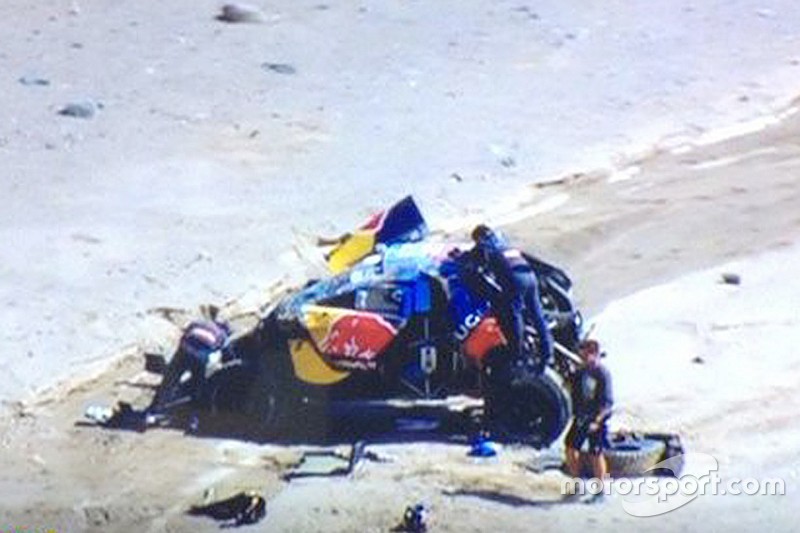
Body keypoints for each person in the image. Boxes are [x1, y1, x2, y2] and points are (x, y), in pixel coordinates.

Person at [468, 224, 554, 371]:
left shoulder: (485, 244)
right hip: (530, 277)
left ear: (478, 238)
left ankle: (517, 355)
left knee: (515, 314)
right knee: (537, 315)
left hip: (515, 280)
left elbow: (473, 260)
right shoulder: (503, 242)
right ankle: (548, 353)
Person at [148, 308, 232, 414]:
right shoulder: (222, 336)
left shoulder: (199, 323)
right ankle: (192, 416)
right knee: (197, 385)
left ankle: (154, 409)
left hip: (184, 349)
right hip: (199, 357)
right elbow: (229, 356)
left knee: (169, 380)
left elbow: (185, 335)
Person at [565, 339, 614, 502]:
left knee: (596, 453)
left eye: (586, 354)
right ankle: (577, 485)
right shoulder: (581, 372)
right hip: (581, 418)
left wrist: (598, 421)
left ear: (594, 354)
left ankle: (601, 492)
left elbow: (607, 402)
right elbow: (571, 388)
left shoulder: (602, 374)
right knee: (571, 447)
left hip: (597, 419)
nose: (583, 357)